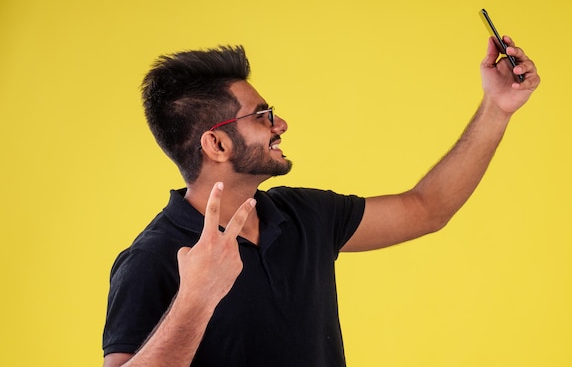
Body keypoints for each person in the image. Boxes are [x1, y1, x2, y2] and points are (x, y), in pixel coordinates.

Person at [103, 36, 540, 367]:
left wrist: (496, 108)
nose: (282, 124)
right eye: (262, 115)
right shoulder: (153, 258)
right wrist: (196, 299)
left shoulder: (303, 216)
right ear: (216, 143)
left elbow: (427, 208)